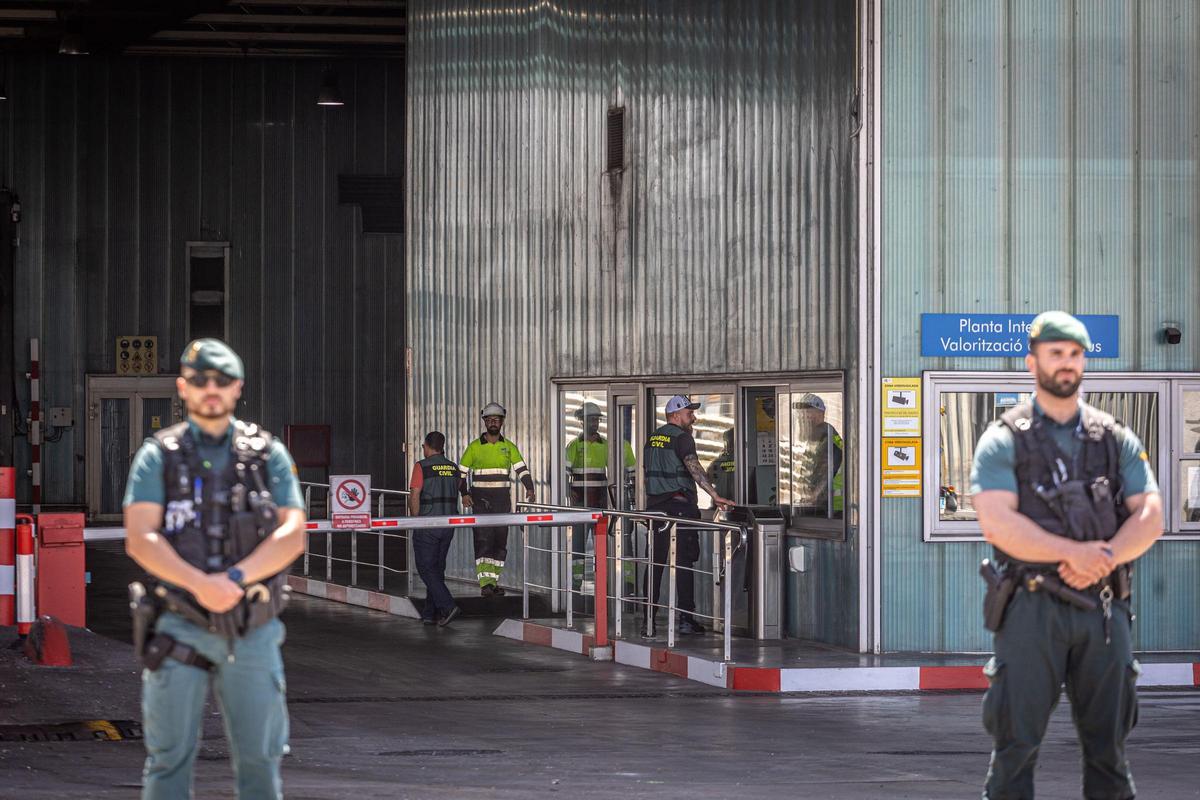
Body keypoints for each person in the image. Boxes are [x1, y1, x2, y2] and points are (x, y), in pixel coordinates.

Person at [970, 311, 1164, 800]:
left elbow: (1150, 514)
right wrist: (1074, 553)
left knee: (1109, 753)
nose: (1067, 364)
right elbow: (998, 521)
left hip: (1103, 609)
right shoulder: (1003, 438)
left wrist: (1105, 557)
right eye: (1056, 354)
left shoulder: (1115, 437)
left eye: (1075, 355)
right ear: (1033, 360)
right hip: (1031, 608)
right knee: (1015, 749)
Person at [123, 339, 307, 800]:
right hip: (178, 627)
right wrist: (200, 585)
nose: (211, 389)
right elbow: (140, 536)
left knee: (260, 762)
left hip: (251, 629)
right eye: (201, 381)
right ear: (183, 388)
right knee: (167, 761)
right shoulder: (158, 455)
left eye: (221, 381)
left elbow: (293, 533)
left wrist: (234, 580)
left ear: (237, 388)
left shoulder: (268, 455)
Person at [642, 395, 733, 635]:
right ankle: (685, 618)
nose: (693, 417)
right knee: (683, 563)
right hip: (679, 509)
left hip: (655, 510)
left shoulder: (652, 439)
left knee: (655, 564)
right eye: (689, 413)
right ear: (675, 415)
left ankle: (648, 619)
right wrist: (714, 495)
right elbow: (695, 469)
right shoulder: (682, 438)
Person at [459, 402, 535, 596]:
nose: (493, 422)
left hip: (502, 501)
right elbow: (460, 475)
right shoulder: (474, 447)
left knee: (500, 541)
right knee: (483, 539)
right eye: (490, 419)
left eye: (497, 419)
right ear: (485, 422)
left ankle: (493, 581)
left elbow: (521, 469)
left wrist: (530, 488)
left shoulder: (508, 447)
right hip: (481, 501)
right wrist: (464, 494)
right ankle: (485, 584)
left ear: (502, 422)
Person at [565, 402, 636, 587]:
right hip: (580, 503)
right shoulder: (573, 446)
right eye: (591, 419)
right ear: (581, 421)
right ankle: (575, 584)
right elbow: (563, 474)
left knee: (604, 544)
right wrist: (568, 493)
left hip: (602, 503)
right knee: (578, 546)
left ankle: (614, 583)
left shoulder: (607, 445)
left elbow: (632, 472)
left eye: (597, 419)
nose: (595, 423)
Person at [408, 431, 466, 626]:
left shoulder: (421, 466)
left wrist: (414, 520)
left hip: (428, 523)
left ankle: (448, 606)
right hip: (448, 524)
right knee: (437, 568)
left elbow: (415, 495)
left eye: (423, 446)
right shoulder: (453, 468)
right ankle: (430, 614)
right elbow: (459, 488)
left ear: (427, 445)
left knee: (425, 568)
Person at [791, 393, 844, 517]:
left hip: (830, 506)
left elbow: (828, 471)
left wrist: (814, 496)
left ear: (821, 414)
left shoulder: (826, 436)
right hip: (822, 503)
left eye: (808, 412)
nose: (803, 416)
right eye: (801, 413)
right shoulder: (814, 437)